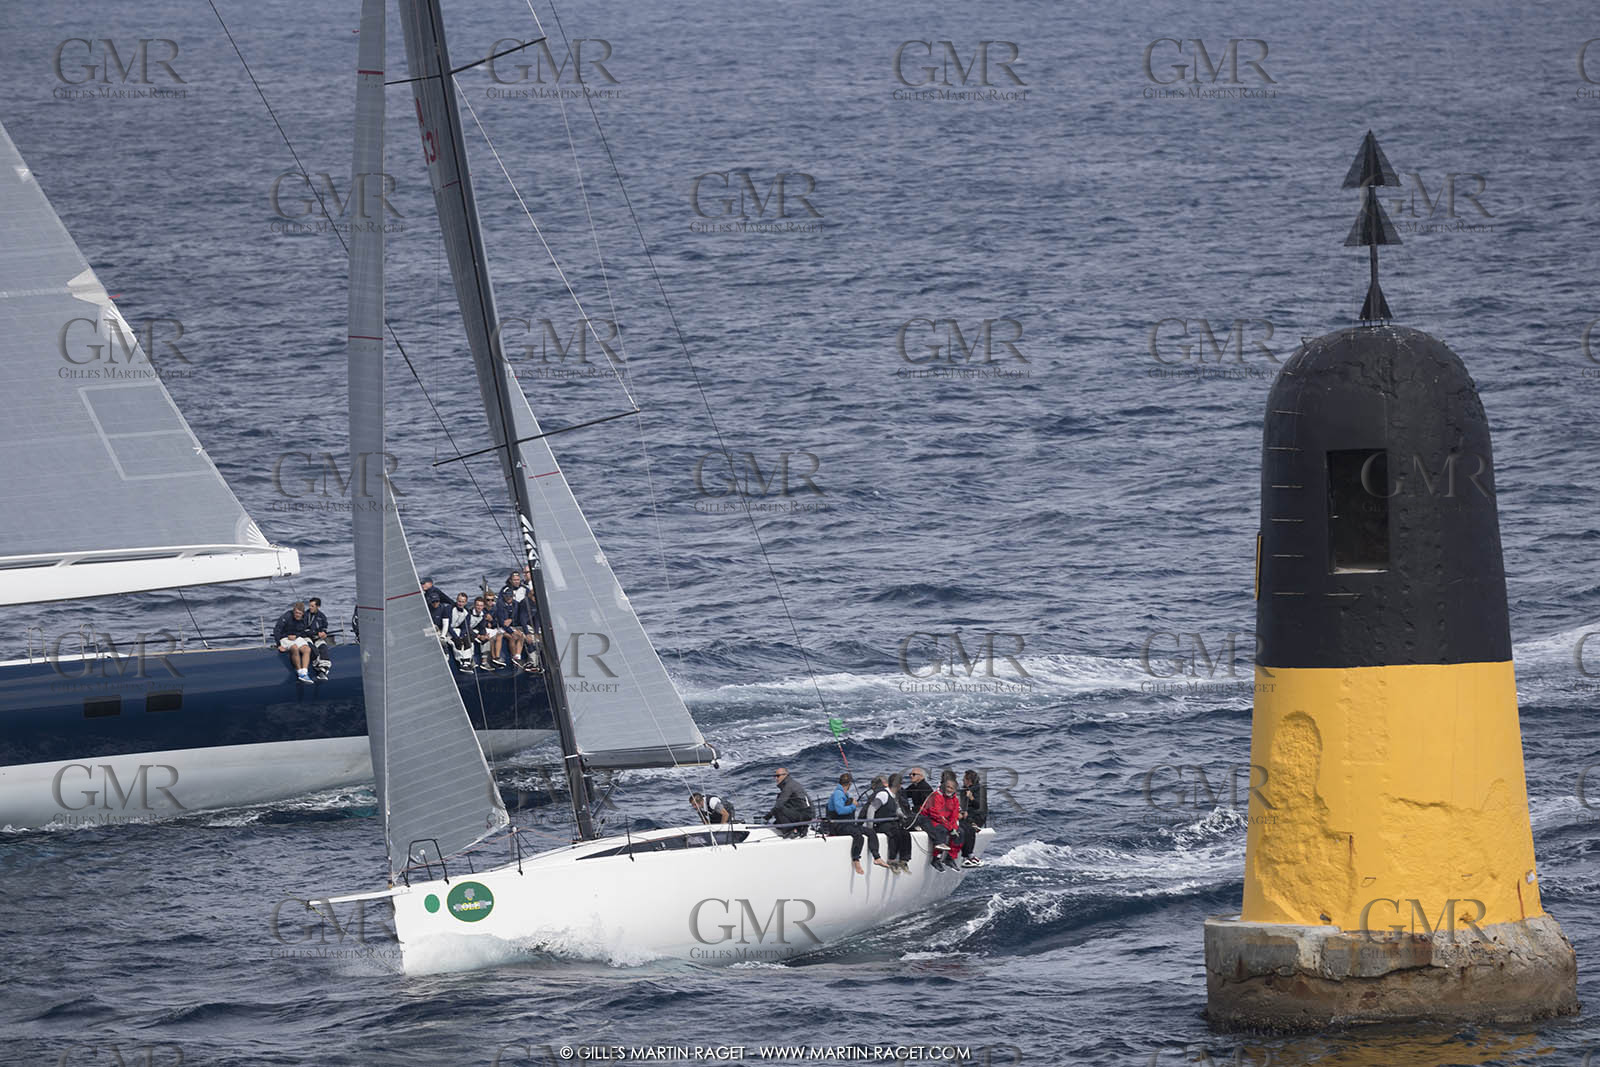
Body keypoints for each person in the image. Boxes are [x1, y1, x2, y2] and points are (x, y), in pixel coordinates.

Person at [916, 769, 963, 870]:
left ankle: (950, 857)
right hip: (930, 819)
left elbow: (954, 816)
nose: (949, 790)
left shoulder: (954, 799)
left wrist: (954, 828)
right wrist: (950, 828)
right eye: (948, 787)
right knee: (942, 831)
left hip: (944, 821)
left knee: (960, 832)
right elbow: (936, 814)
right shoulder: (936, 796)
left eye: (952, 788)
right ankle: (936, 859)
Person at [854, 775, 893, 874]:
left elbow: (865, 810)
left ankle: (878, 857)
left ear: (874, 786)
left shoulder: (876, 794)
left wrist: (861, 825)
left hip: (879, 825)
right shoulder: (890, 793)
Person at [272, 601, 314, 683]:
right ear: (293, 611)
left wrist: (296, 635)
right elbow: (277, 629)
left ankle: (304, 672)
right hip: (285, 637)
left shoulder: (304, 618)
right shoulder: (286, 616)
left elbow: (303, 630)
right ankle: (299, 672)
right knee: (294, 647)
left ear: (302, 613)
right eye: (296, 613)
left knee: (307, 649)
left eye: (299, 613)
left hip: (296, 637)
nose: (297, 615)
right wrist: (278, 645)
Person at [764, 767, 810, 837]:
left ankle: (791, 831)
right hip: (803, 814)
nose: (776, 779)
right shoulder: (792, 783)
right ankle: (801, 828)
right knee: (777, 822)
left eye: (778, 776)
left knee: (778, 809)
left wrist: (766, 817)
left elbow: (778, 806)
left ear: (785, 775)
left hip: (803, 815)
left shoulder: (788, 786)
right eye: (775, 776)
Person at [883, 773, 912, 872]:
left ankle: (904, 859)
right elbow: (871, 809)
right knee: (895, 834)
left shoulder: (897, 795)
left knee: (905, 834)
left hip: (894, 821)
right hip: (883, 822)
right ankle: (892, 859)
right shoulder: (883, 794)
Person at [439, 592, 474, 672]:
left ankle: (467, 660)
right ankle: (460, 661)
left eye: (462, 602)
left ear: (466, 602)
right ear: (456, 600)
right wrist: (456, 637)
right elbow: (447, 626)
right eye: (459, 601)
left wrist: (462, 636)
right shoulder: (449, 609)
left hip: (457, 629)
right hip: (447, 630)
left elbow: (465, 626)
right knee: (455, 642)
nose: (460, 603)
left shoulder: (466, 612)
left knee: (466, 639)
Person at [958, 769, 986, 868]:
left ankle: (968, 855)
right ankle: (968, 856)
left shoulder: (979, 789)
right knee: (967, 826)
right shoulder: (963, 790)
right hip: (968, 816)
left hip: (976, 817)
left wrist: (971, 798)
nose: (962, 781)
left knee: (967, 828)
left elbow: (980, 805)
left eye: (964, 779)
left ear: (969, 780)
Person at [467, 596, 502, 669]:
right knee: (471, 639)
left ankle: (484, 661)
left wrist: (484, 635)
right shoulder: (468, 613)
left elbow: (482, 627)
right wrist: (478, 636)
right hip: (466, 630)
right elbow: (466, 627)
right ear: (474, 605)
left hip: (475, 629)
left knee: (486, 638)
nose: (479, 607)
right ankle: (470, 660)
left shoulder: (483, 615)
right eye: (477, 605)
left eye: (481, 605)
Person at [304, 597, 332, 681]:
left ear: (318, 607)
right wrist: (315, 632)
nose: (310, 608)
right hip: (306, 637)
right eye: (310, 606)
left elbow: (324, 627)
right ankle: (316, 666)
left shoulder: (322, 616)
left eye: (312, 606)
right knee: (313, 649)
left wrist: (323, 633)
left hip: (317, 638)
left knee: (323, 647)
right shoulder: (305, 615)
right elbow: (303, 629)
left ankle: (323, 670)